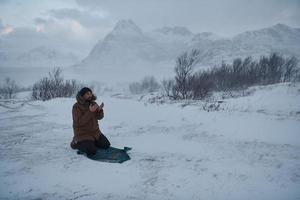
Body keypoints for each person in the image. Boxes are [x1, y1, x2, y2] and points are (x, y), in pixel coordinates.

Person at [70, 87, 111, 156]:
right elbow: (79, 122)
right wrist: (90, 111)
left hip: (95, 132)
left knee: (106, 145)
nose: (90, 95)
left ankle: (91, 142)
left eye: (90, 93)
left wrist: (100, 110)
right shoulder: (76, 107)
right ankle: (75, 143)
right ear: (82, 95)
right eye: (87, 94)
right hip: (83, 134)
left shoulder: (93, 103)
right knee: (91, 151)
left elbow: (99, 117)